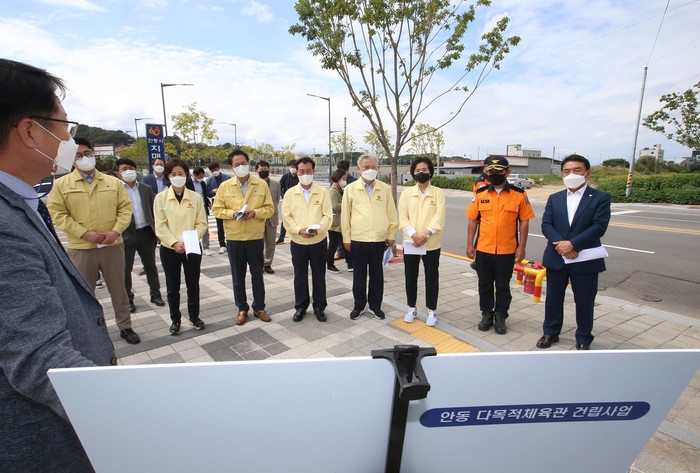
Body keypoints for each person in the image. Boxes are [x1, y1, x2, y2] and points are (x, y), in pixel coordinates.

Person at [0, 58, 116, 472]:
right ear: (29, 130)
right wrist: (128, 409)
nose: (68, 140)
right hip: (43, 444)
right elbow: (39, 356)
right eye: (64, 126)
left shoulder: (20, 200)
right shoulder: (4, 224)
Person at [48, 137, 141, 345]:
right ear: (72, 159)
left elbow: (125, 209)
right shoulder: (61, 185)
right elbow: (59, 215)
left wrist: (115, 232)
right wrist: (84, 233)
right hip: (82, 247)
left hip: (112, 245)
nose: (84, 158)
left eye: (87, 153)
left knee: (119, 289)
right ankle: (89, 330)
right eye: (78, 155)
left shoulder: (113, 182)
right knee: (84, 293)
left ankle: (125, 326)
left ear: (93, 153)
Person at [537, 154, 611, 350]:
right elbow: (546, 225)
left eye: (577, 170)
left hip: (585, 258)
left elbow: (599, 227)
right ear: (562, 174)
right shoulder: (555, 198)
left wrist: (573, 245)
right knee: (553, 299)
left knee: (585, 301)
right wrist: (563, 246)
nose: (571, 174)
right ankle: (550, 333)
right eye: (567, 171)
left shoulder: (600, 198)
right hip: (557, 257)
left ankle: (584, 338)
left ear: (587, 173)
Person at [466, 156, 534, 335]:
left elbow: (524, 221)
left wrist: (522, 247)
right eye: (491, 171)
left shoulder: (519, 194)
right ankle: (487, 314)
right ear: (487, 172)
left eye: (499, 171)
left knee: (503, 285)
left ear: (507, 172)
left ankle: (501, 316)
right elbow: (472, 220)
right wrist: (469, 245)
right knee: (484, 285)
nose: (495, 174)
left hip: (507, 250)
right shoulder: (480, 194)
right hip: (484, 249)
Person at [212, 150, 274, 326]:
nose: (241, 167)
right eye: (236, 164)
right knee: (238, 277)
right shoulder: (225, 186)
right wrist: (233, 213)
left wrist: (255, 212)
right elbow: (217, 210)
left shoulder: (261, 184)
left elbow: (270, 209)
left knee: (257, 275)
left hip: (255, 237)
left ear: (248, 163)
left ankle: (259, 307)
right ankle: (242, 308)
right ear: (231, 167)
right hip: (234, 238)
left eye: (243, 163)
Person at [153, 159, 208, 335]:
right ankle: (175, 319)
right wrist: (174, 243)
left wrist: (190, 240)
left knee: (193, 284)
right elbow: (160, 225)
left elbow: (202, 223)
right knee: (172, 286)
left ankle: (194, 316)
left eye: (181, 174)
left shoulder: (195, 197)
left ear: (186, 175)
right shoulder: (161, 198)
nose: (177, 177)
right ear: (168, 176)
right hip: (170, 249)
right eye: (173, 174)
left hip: (192, 248)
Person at [341, 154, 398, 320]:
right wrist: (346, 238)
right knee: (359, 275)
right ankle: (359, 305)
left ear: (378, 168)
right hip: (358, 240)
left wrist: (392, 234)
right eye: (366, 167)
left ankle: (375, 306)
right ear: (359, 169)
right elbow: (345, 216)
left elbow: (392, 214)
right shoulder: (350, 189)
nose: (370, 170)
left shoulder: (384, 189)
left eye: (373, 167)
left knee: (377, 275)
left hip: (378, 240)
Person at [282, 157, 333, 322]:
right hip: (298, 242)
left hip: (318, 241)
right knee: (300, 275)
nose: (305, 174)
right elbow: (286, 217)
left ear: (314, 172)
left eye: (308, 171)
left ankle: (319, 306)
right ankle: (301, 306)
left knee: (319, 275)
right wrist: (299, 230)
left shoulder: (323, 192)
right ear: (297, 173)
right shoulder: (290, 193)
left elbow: (328, 216)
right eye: (301, 171)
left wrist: (319, 229)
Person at [399, 157, 446, 327]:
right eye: (417, 170)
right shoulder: (406, 193)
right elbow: (403, 217)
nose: (421, 173)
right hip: (411, 243)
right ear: (413, 173)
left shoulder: (438, 193)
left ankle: (431, 310)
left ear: (430, 172)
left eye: (424, 170)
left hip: (431, 243)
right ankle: (411, 308)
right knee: (410, 276)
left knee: (431, 277)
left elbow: (439, 217)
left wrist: (425, 234)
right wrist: (414, 235)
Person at [116, 158, 165, 312]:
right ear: (119, 172)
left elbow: (153, 211)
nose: (128, 171)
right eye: (124, 169)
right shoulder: (115, 190)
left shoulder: (146, 188)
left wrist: (157, 232)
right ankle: (128, 299)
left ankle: (155, 294)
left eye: (131, 168)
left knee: (151, 266)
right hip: (126, 235)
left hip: (146, 233)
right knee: (125, 270)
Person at [256, 160, 281, 274]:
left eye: (265, 169)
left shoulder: (276, 184)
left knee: (271, 244)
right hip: (258, 218)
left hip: (272, 218)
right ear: (257, 170)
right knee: (258, 244)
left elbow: (276, 200)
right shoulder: (254, 184)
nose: (264, 171)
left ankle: (267, 264)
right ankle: (259, 264)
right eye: (261, 169)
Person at [327, 169, 352, 273]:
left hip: (342, 224)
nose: (344, 181)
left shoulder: (340, 189)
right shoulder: (332, 191)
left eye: (345, 179)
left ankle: (350, 264)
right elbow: (335, 206)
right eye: (343, 179)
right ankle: (330, 265)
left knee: (347, 243)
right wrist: (348, 204)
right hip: (335, 225)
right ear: (337, 179)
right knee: (333, 245)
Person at [206, 161, 231, 254]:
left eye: (215, 169)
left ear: (219, 167)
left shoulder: (228, 178)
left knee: (230, 225)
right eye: (212, 170)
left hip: (229, 204)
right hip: (217, 204)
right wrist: (213, 191)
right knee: (219, 226)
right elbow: (208, 193)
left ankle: (230, 243)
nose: (214, 171)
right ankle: (222, 245)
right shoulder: (209, 180)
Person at [276, 159, 298, 244]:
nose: (292, 168)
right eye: (291, 166)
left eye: (294, 167)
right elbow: (279, 187)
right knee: (285, 219)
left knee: (296, 219)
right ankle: (281, 238)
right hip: (287, 201)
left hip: (297, 202)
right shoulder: (285, 177)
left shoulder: (299, 178)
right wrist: (283, 195)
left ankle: (295, 237)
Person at [192, 166, 212, 256]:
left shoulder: (203, 183)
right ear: (195, 175)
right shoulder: (187, 183)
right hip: (191, 207)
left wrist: (208, 202)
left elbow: (204, 194)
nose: (201, 178)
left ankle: (206, 247)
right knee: (192, 226)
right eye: (200, 177)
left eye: (202, 177)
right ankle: (193, 245)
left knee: (205, 227)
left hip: (203, 206)